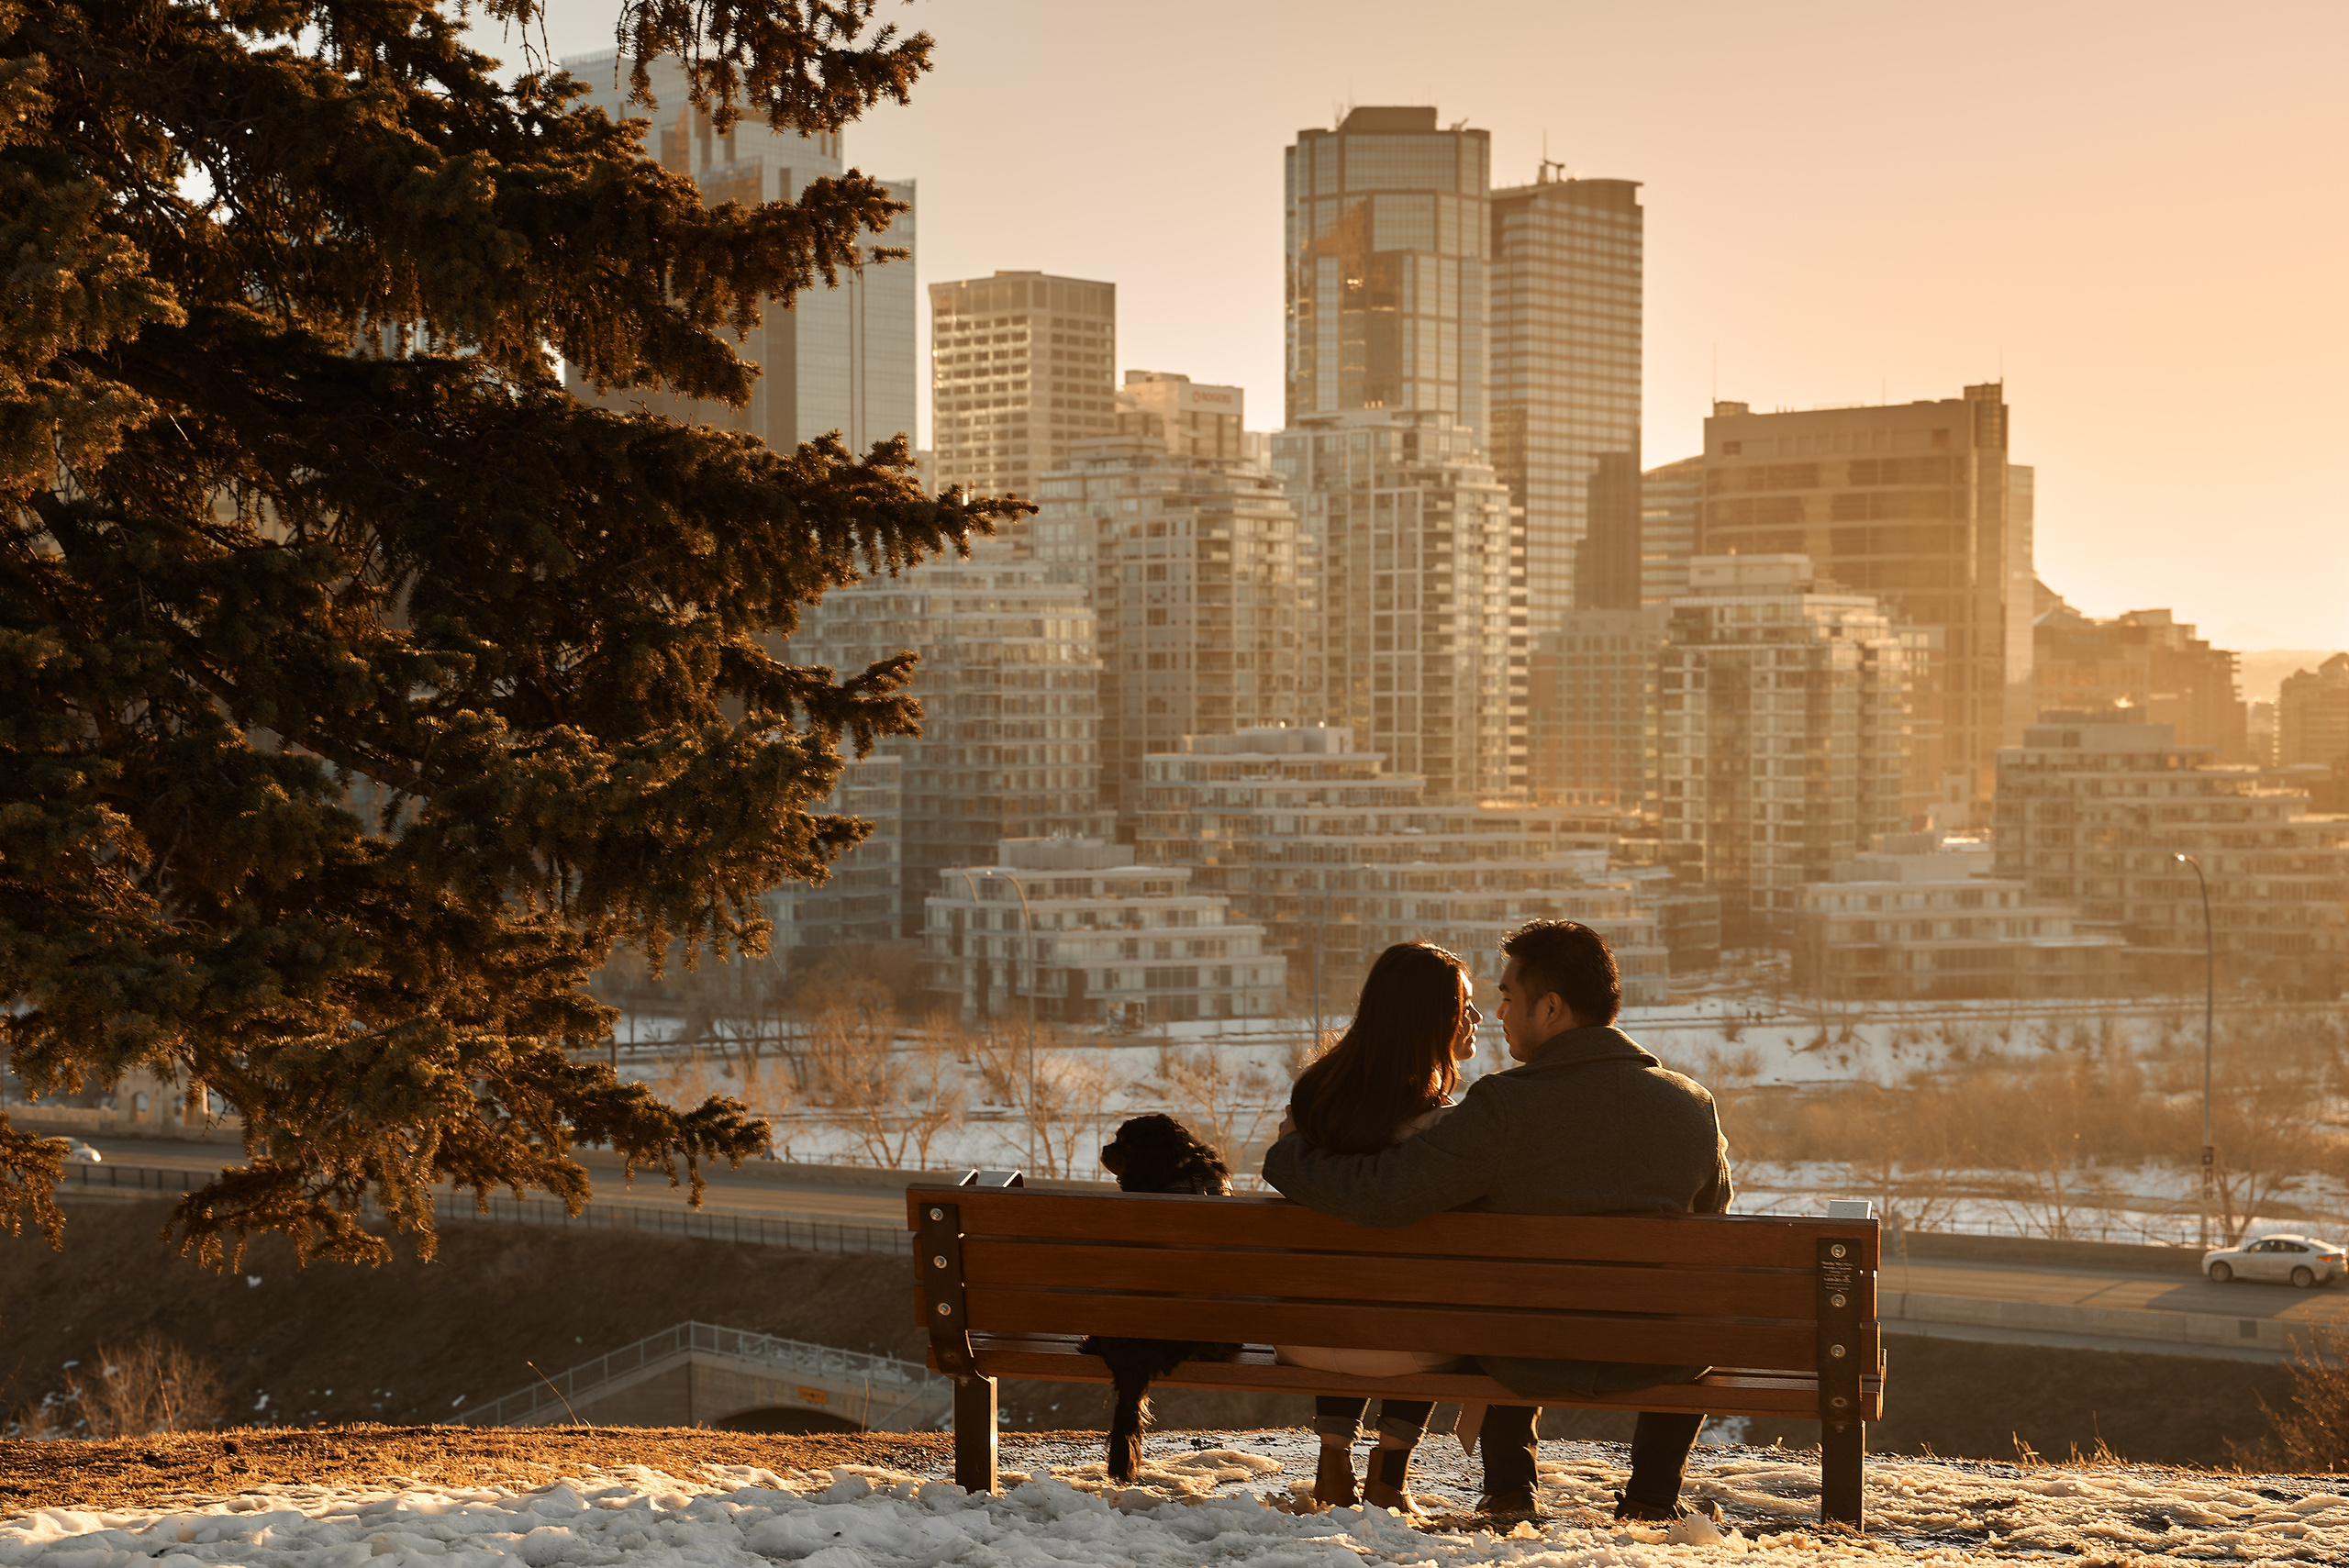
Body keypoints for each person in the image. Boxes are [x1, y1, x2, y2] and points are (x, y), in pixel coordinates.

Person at [1263, 919, 1733, 1524]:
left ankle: (1511, 1489)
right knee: (1679, 1320)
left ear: (1551, 1007)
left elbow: (1382, 1194)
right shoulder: (1692, 1105)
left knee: (1508, 1312)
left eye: (1509, 997)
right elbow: (1713, 1225)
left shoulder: (1501, 1108)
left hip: (1527, 1352)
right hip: (1659, 1353)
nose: (1500, 1013)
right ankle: (1651, 1497)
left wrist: (1289, 1156)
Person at [1275, 940, 1479, 1514]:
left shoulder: (1312, 1106)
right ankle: (1389, 1470)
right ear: (1429, 1018)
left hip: (1302, 1339)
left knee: (1340, 1281)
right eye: (1464, 1006)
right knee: (1428, 1299)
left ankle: (1332, 1459)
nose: (1476, 1017)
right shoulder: (1447, 1129)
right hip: (1407, 1350)